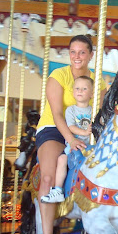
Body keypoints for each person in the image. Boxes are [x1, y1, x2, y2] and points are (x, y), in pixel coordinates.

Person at [35, 34, 107, 234]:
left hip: (85, 135)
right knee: (47, 176)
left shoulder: (98, 81)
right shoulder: (59, 76)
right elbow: (57, 114)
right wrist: (70, 138)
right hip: (55, 131)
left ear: (90, 55)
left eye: (82, 52)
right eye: (73, 52)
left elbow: (104, 115)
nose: (77, 56)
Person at [40, 75, 93, 203]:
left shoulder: (94, 110)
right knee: (62, 159)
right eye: (77, 88)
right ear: (73, 92)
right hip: (73, 146)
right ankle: (57, 190)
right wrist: (85, 132)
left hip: (90, 146)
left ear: (92, 94)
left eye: (84, 89)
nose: (80, 91)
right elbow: (71, 127)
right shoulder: (71, 110)